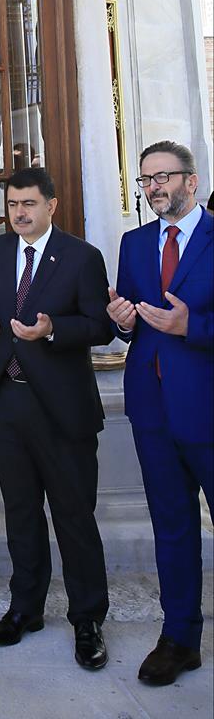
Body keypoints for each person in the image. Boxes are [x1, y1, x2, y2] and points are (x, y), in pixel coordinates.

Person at [0, 166, 111, 670]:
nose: (20, 214)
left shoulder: (81, 257)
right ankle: (25, 607)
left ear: (51, 205)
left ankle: (88, 619)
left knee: (73, 518)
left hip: (62, 408)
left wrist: (53, 330)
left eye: (29, 204)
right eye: (13, 205)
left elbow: (100, 327)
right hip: (9, 403)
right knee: (21, 515)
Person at [107, 140, 212, 686]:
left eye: (163, 177)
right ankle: (179, 638)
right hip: (153, 412)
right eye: (146, 180)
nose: (154, 188)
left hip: (209, 412)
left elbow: (181, 322)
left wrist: (191, 327)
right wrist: (122, 319)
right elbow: (129, 322)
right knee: (172, 530)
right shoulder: (135, 243)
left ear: (191, 181)